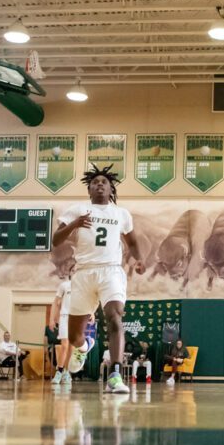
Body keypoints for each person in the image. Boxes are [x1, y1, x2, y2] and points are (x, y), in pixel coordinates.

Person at [51, 164, 146, 396]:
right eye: (95, 182)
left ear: (111, 187)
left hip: (111, 271)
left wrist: (139, 259)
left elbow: (132, 242)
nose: (100, 184)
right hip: (83, 273)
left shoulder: (121, 214)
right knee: (74, 337)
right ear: (89, 189)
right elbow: (55, 240)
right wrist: (75, 224)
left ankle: (115, 375)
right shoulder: (78, 209)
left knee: (115, 316)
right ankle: (85, 347)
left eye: (104, 182)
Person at [48, 275, 75, 388]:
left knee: (71, 347)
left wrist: (91, 313)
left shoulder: (83, 285)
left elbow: (88, 301)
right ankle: (59, 372)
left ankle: (66, 372)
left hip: (76, 317)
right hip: (64, 317)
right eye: (73, 269)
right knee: (64, 345)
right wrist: (52, 319)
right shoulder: (64, 285)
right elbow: (55, 303)